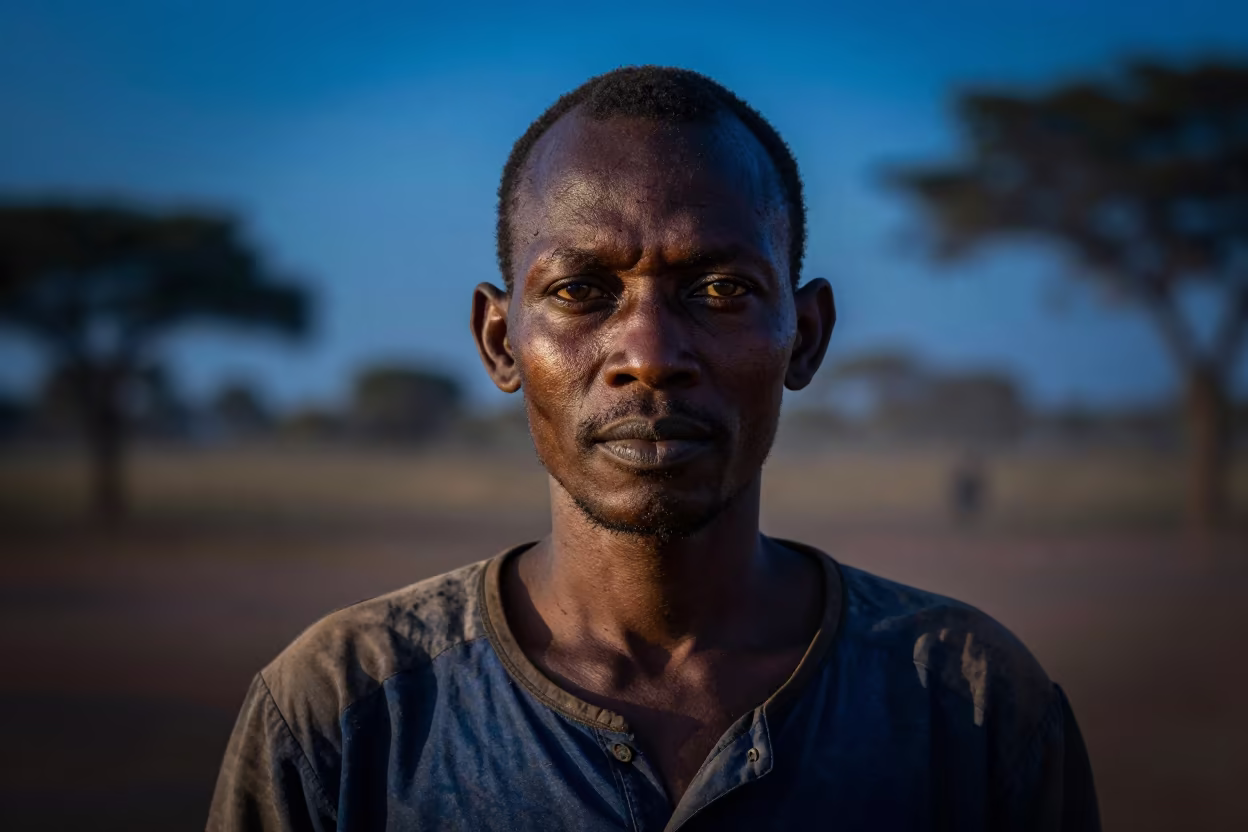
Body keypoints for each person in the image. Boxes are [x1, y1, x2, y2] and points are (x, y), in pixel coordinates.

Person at [208, 66, 1099, 831]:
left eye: (720, 289)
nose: (650, 354)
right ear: (500, 342)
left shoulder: (969, 703)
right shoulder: (343, 708)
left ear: (806, 336)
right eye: (581, 289)